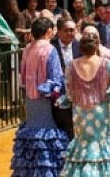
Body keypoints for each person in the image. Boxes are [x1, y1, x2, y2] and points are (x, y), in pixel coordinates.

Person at [57, 33, 110, 175]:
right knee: (101, 145)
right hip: (101, 112)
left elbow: (69, 93)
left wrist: (66, 100)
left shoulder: (71, 65)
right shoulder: (105, 64)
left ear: (81, 47)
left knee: (82, 146)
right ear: (97, 46)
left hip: (80, 115)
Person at [11, 17, 68, 177]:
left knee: (32, 132)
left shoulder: (27, 49)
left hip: (30, 100)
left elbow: (22, 76)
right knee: (47, 135)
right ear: (48, 31)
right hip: (45, 100)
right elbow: (56, 79)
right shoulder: (50, 49)